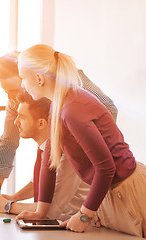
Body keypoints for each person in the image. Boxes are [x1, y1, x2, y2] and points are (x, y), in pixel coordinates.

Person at [17, 44, 146, 237]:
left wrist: (84, 215)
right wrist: (40, 213)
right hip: (108, 193)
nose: (22, 85)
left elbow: (106, 168)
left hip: (127, 190)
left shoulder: (72, 109)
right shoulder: (58, 105)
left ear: (38, 78)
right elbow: (49, 162)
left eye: (22, 78)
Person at [0, 52, 118, 201]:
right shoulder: (16, 102)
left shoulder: (67, 85)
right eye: (6, 91)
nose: (11, 98)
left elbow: (109, 109)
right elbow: (8, 142)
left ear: (34, 78)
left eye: (14, 90)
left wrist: (83, 142)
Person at [0, 91, 90, 221]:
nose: (15, 122)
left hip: (71, 225)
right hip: (52, 222)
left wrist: (8, 206)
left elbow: (50, 207)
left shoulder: (66, 153)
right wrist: (13, 198)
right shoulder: (45, 147)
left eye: (22, 117)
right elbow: (37, 183)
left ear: (41, 123)